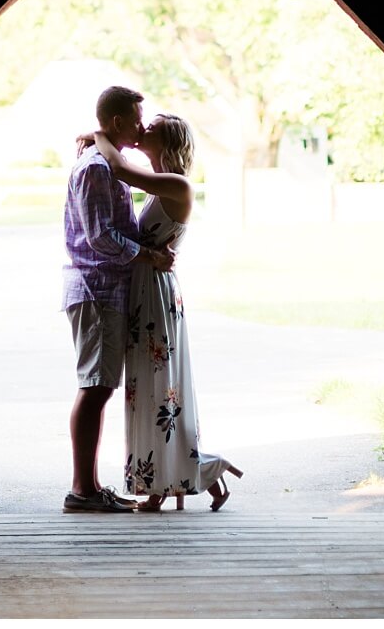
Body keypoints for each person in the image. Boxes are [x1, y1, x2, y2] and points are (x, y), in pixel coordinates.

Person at [81, 113, 243, 511]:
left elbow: (118, 167)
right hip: (143, 290)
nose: (140, 132)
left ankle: (163, 487)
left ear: (166, 142)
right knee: (145, 389)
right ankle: (185, 474)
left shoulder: (175, 185)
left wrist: (101, 133)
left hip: (155, 293)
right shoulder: (159, 187)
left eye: (149, 130)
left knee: (158, 388)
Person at [61, 85, 173, 513]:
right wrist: (149, 255)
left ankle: (89, 487)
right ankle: (81, 491)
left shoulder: (109, 166)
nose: (143, 126)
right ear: (118, 123)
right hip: (96, 291)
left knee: (100, 386)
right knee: (94, 387)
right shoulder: (95, 169)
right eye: (138, 119)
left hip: (105, 291)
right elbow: (100, 237)